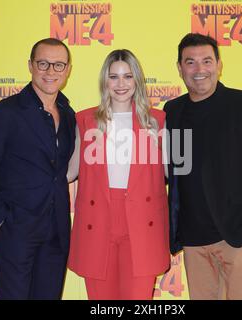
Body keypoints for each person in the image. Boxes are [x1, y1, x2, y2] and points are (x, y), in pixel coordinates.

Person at [164, 33, 242, 300]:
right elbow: (171, 170)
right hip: (193, 241)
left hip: (238, 236)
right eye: (190, 62)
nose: (199, 70)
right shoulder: (172, 111)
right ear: (179, 67)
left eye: (207, 61)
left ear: (219, 64)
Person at [0, 38, 76, 300]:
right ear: (30, 65)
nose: (51, 71)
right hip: (16, 230)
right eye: (43, 63)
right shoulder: (4, 113)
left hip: (57, 230)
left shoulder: (69, 113)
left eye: (58, 65)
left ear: (67, 70)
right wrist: (3, 220)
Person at [67, 49, 170, 300]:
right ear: (105, 81)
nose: (121, 84)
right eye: (114, 77)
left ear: (137, 80)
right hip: (97, 220)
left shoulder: (158, 121)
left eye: (127, 76)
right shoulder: (85, 120)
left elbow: (174, 173)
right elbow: (69, 172)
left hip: (143, 222)